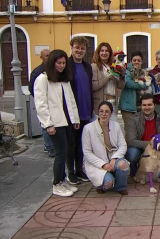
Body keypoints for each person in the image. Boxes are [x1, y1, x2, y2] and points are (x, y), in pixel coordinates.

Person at [34, 49, 80, 197]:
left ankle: (63, 179)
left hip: (67, 121)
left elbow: (71, 101)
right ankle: (56, 183)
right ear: (52, 63)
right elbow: (41, 104)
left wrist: (75, 119)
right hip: (55, 123)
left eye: (63, 63)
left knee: (66, 151)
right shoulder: (43, 79)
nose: (61, 66)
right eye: (58, 63)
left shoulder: (64, 79)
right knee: (60, 154)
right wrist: (48, 124)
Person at [82, 101, 129, 195]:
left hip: (112, 157)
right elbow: (87, 152)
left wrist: (114, 158)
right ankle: (103, 183)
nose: (103, 114)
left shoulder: (115, 125)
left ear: (111, 113)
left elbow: (123, 145)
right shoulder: (88, 128)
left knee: (123, 164)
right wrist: (103, 164)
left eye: (107, 112)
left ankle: (120, 186)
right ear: (98, 112)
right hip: (97, 161)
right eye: (101, 111)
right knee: (108, 183)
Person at [125, 94, 160, 180]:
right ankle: (135, 173)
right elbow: (131, 141)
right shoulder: (133, 119)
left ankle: (152, 172)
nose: (147, 107)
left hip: (158, 151)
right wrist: (151, 144)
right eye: (144, 105)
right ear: (141, 106)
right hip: (140, 149)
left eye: (149, 105)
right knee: (132, 154)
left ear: (154, 105)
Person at [67, 36, 94, 184]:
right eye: (77, 47)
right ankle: (70, 172)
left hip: (85, 111)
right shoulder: (66, 65)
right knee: (71, 143)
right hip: (72, 113)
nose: (79, 50)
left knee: (82, 143)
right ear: (71, 48)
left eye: (82, 48)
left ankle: (79, 170)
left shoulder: (87, 67)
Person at [29, 49, 55, 157]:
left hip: (53, 102)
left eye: (50, 55)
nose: (48, 57)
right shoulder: (37, 72)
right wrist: (42, 99)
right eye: (46, 56)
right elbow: (32, 88)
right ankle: (48, 147)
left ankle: (51, 145)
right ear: (41, 57)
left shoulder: (55, 69)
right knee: (45, 125)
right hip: (44, 102)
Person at [91, 42, 125, 121]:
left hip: (113, 102)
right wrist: (108, 78)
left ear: (110, 53)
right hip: (100, 103)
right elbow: (93, 85)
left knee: (112, 129)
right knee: (100, 131)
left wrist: (122, 76)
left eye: (106, 51)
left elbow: (121, 86)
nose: (104, 53)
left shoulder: (114, 66)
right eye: (102, 51)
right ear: (98, 53)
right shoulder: (94, 66)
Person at [119, 51, 149, 131]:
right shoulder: (126, 70)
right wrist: (144, 85)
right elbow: (128, 83)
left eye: (139, 60)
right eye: (134, 60)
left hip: (140, 106)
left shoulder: (143, 72)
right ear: (130, 61)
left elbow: (149, 81)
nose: (136, 62)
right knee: (130, 129)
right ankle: (129, 144)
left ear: (142, 62)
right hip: (128, 106)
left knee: (140, 129)